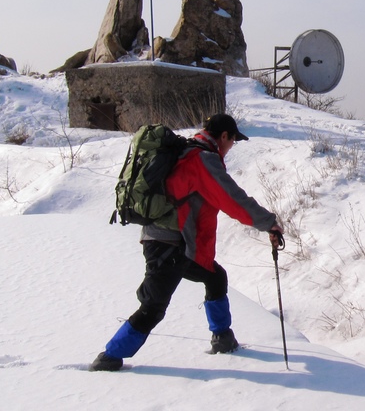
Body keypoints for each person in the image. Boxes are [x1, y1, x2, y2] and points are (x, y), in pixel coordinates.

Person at [90, 114, 284, 372]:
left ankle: (223, 339)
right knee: (153, 307)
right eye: (233, 140)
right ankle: (109, 358)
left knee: (216, 277)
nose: (232, 146)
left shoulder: (187, 151)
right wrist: (268, 222)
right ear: (224, 136)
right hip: (168, 243)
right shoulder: (201, 159)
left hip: (178, 243)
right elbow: (232, 199)